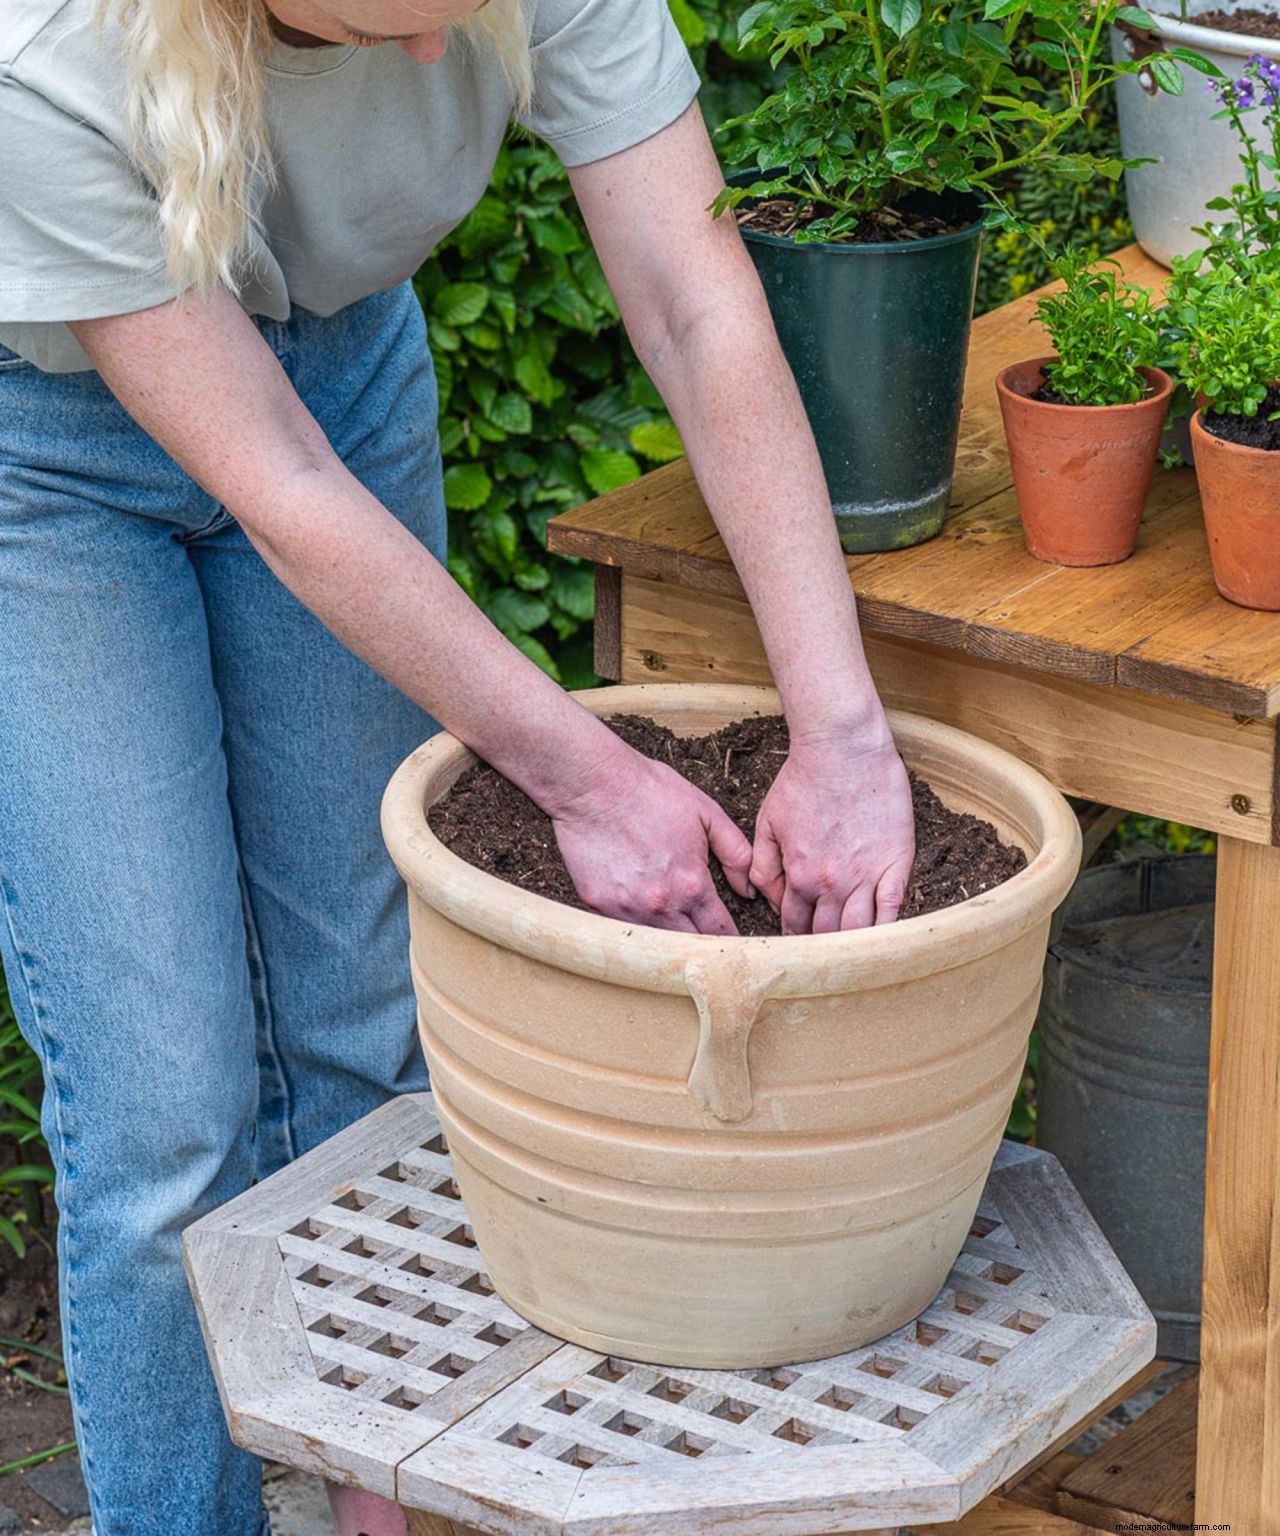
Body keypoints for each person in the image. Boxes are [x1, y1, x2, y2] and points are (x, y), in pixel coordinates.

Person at [0, 0, 915, 1528]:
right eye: (382, 24)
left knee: (369, 1030)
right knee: (166, 1113)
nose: (436, 67)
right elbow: (276, 486)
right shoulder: (49, 58)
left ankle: (382, 1499)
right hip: (46, 457)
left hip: (345, 376)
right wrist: (590, 778)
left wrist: (843, 729)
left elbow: (697, 299)